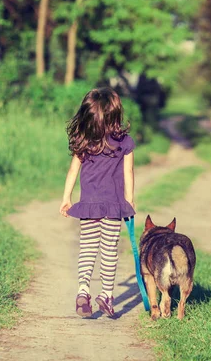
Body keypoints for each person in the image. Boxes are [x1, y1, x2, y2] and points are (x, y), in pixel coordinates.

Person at [59, 87, 135, 318]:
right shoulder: (125, 142)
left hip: (89, 205)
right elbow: (129, 172)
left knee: (88, 248)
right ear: (115, 114)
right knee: (109, 251)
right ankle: (106, 295)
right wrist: (129, 201)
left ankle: (83, 290)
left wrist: (66, 198)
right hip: (113, 206)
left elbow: (73, 170)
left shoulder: (84, 141)